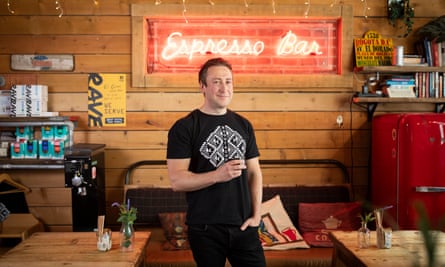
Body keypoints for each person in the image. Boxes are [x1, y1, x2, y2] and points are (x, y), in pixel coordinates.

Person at [166, 57, 266, 267]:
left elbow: (254, 173)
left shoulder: (244, 125)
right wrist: (217, 175)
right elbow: (177, 181)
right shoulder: (185, 128)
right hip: (205, 229)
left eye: (228, 81)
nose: (224, 88)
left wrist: (256, 216)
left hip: (244, 226)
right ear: (202, 86)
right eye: (216, 82)